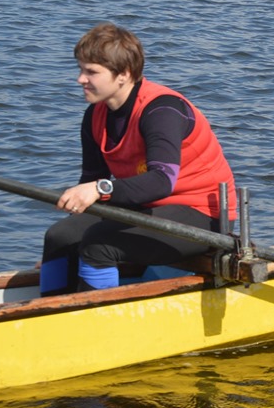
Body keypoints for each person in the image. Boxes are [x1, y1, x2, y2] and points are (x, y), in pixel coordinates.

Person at [40, 22, 237, 295]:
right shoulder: (95, 115)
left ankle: (101, 318)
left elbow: (160, 182)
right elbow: (91, 179)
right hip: (147, 205)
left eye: (91, 72)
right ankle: (48, 309)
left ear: (123, 74)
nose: (80, 79)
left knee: (99, 244)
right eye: (80, 69)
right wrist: (77, 201)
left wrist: (98, 189)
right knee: (60, 236)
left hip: (202, 214)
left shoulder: (162, 111)